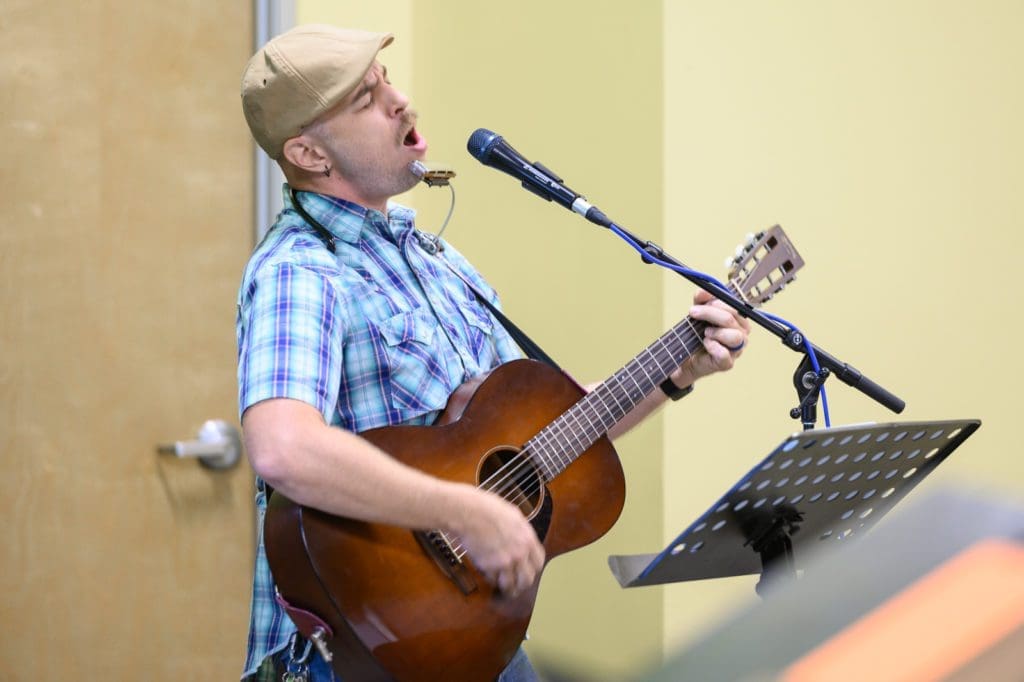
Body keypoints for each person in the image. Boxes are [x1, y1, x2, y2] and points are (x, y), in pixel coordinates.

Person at [236, 24, 750, 681]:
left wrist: (679, 371)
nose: (399, 102)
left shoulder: (439, 262)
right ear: (310, 153)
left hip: (464, 640)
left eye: (387, 80)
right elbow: (284, 448)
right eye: (365, 100)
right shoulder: (301, 269)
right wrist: (459, 509)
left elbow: (548, 434)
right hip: (357, 655)